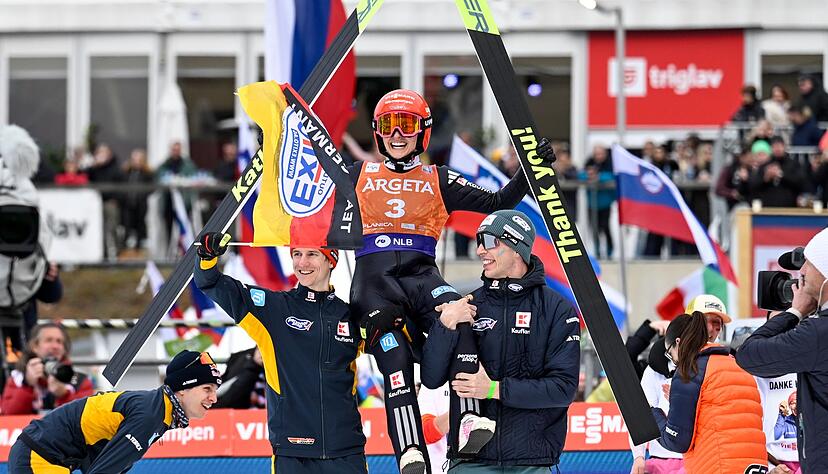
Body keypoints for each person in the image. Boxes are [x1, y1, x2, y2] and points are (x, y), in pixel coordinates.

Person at [349, 89, 554, 473]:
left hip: (422, 274)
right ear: (377, 133)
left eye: (406, 126)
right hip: (374, 284)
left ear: (422, 132)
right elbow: (301, 179)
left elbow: (496, 203)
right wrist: (273, 146)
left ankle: (470, 419)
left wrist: (531, 167)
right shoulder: (356, 173)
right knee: (392, 356)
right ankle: (410, 450)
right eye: (389, 126)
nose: (397, 135)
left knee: (465, 317)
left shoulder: (437, 177)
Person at [420, 209, 580, 472]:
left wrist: (493, 389)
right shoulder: (468, 305)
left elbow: (563, 389)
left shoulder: (556, 310)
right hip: (470, 462)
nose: (481, 250)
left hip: (533, 462)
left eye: (491, 242)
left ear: (517, 248)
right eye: (479, 242)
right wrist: (444, 326)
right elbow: (431, 377)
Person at [194, 233, 368, 473]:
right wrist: (207, 256)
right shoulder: (272, 308)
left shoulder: (351, 315)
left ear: (331, 260)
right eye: (297, 254)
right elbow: (210, 283)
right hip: (292, 454)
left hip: (346, 452)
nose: (302, 263)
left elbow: (395, 347)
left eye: (312, 254)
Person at [7, 350, 220, 473]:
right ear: (182, 390)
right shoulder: (151, 415)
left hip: (45, 452)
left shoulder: (158, 409)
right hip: (40, 454)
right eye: (207, 389)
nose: (214, 398)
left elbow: (101, 461)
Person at [735, 228, 828, 473]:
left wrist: (794, 312)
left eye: (809, 263)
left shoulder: (818, 333)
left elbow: (748, 355)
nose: (802, 272)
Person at [654, 312, 767, 473]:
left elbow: (677, 440)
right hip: (754, 467)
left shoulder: (690, 370)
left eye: (669, 353)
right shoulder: (738, 365)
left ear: (678, 343)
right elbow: (724, 416)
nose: (674, 361)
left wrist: (654, 417)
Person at [1, 323, 93, 415]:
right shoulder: (18, 378)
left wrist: (64, 395)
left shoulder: (79, 380)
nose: (55, 346)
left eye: (59, 341)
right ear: (35, 346)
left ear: (64, 349)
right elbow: (8, 415)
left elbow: (85, 417)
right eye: (49, 340)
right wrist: (27, 384)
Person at [631, 337, 684, 474]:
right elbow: (642, 415)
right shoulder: (655, 370)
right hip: (660, 458)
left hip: (698, 458)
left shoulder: (708, 365)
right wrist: (638, 456)